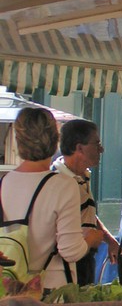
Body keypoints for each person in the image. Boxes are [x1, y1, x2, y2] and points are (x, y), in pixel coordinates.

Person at [1, 108, 95, 289]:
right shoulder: (64, 185)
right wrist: (91, 239)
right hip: (51, 294)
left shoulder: (4, 183)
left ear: (18, 141)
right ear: (55, 140)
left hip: (10, 290)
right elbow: (71, 251)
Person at [51, 119, 120, 285]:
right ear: (79, 148)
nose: (101, 149)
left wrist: (109, 240)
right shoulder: (59, 181)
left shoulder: (82, 177)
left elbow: (86, 214)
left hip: (85, 258)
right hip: (68, 265)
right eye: (96, 144)